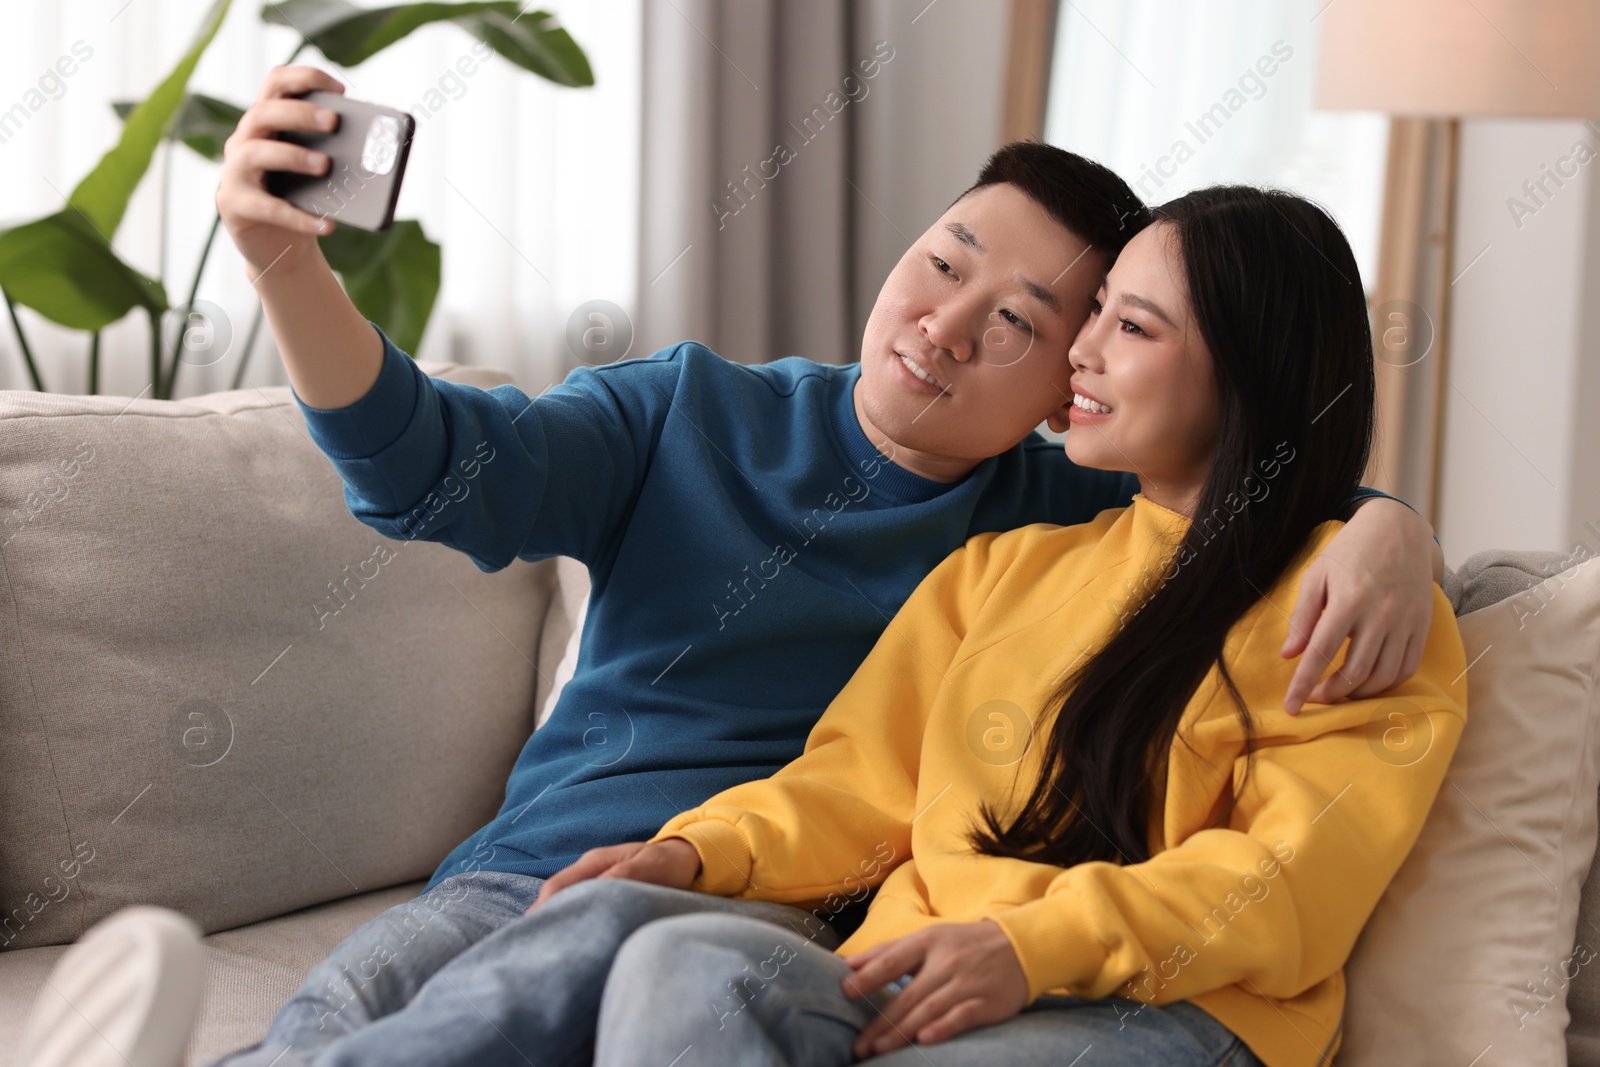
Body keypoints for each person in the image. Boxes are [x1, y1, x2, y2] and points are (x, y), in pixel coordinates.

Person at [17, 63, 1443, 1067]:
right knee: (405, 992)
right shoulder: (723, 423)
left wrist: (1390, 527)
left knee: (633, 954)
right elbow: (440, 469)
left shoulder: (1054, 514)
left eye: (1031, 323)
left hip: (834, 926)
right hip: (575, 868)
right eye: (943, 262)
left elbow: (1241, 518)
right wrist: (285, 269)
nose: (948, 327)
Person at [525, 185, 1468, 1066]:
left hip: (1174, 1011)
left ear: (1251, 376)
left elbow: (1285, 880)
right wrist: (701, 848)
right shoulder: (1006, 568)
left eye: (1131, 326)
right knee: (677, 962)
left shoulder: (1360, 607)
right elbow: (860, 785)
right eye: (1092, 313)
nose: (1080, 353)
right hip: (929, 964)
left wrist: (1029, 945)